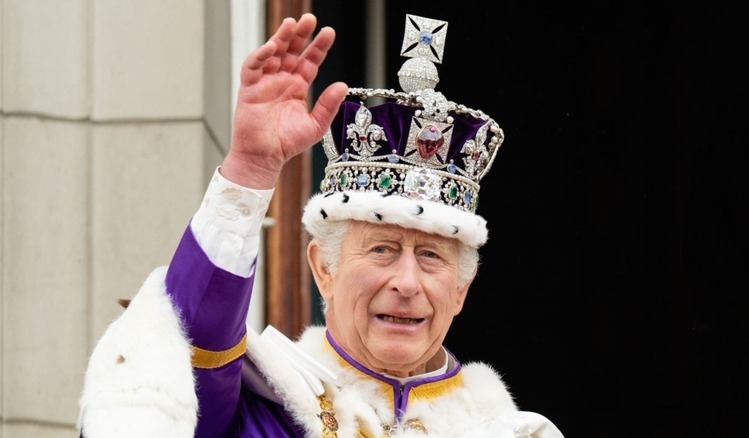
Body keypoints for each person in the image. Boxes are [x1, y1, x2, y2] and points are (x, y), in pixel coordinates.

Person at [78, 12, 565, 438]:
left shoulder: (509, 432)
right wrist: (250, 169)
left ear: (461, 289)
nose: (407, 283)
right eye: (382, 249)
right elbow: (190, 331)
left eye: (432, 256)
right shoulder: (259, 409)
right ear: (322, 268)